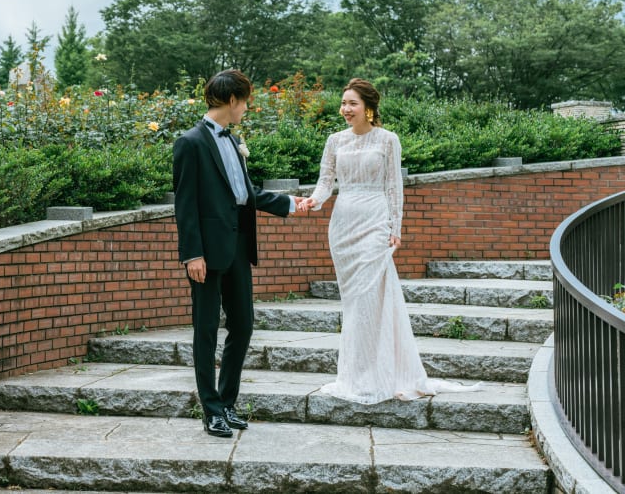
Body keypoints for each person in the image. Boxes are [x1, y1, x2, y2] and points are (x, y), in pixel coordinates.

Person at [297, 78, 480, 403]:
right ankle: (356, 377)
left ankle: (381, 375)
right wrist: (314, 200)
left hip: (375, 222)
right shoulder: (335, 140)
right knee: (354, 304)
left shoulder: (387, 140)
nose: (345, 109)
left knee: (373, 300)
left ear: (368, 107)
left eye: (352, 103)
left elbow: (394, 188)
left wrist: (395, 227)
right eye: (343, 103)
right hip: (343, 225)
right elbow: (326, 181)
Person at [173, 69, 300, 437]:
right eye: (245, 101)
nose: (247, 108)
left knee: (242, 326)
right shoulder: (190, 142)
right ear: (232, 101)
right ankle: (210, 410)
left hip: (239, 249)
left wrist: (292, 204)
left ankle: (227, 404)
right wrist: (191, 254)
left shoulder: (234, 141)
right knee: (206, 331)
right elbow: (186, 205)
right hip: (206, 255)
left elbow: (246, 194)